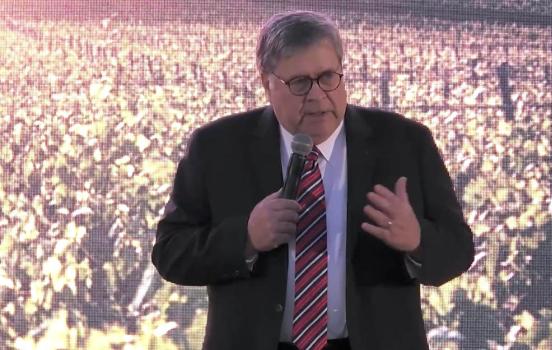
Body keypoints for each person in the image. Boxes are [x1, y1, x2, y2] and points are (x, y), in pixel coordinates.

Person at [152, 10, 474, 350]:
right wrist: (245, 238)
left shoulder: (406, 143)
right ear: (267, 83)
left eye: (327, 77)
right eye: (300, 83)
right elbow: (171, 254)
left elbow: (459, 250)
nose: (318, 96)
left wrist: (418, 240)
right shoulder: (217, 148)